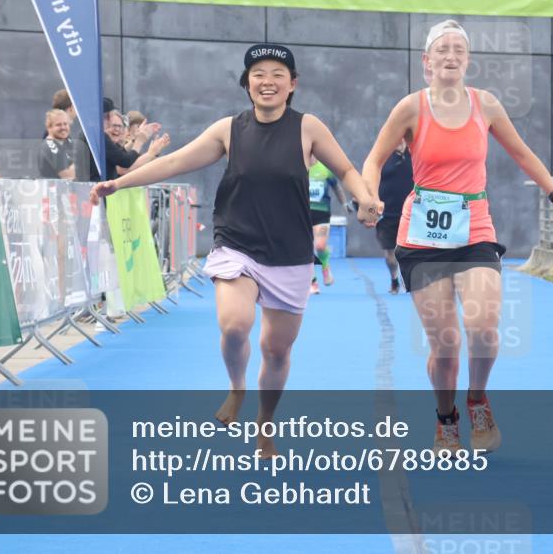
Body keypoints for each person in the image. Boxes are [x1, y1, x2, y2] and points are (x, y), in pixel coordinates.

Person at [90, 43, 382, 457]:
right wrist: (118, 184)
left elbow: (347, 170)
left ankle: (265, 424)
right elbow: (175, 162)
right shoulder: (228, 129)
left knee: (276, 351)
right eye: (258, 74)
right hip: (237, 242)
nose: (268, 81)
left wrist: (364, 198)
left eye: (278, 74)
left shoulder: (308, 127)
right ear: (247, 85)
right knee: (234, 325)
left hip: (289, 252)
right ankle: (236, 387)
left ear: (292, 84)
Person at [363, 20, 553, 455]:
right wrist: (369, 198)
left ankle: (476, 398)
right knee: (446, 343)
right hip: (423, 237)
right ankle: (446, 418)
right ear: (427, 61)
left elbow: (522, 153)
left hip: (474, 228)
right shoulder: (410, 108)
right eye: (443, 49)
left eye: (459, 48)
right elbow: (375, 158)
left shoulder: (487, 104)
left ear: (468, 59)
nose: (451, 55)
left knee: (484, 328)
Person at [376, 139, 413, 294]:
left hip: (411, 214)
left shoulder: (415, 155)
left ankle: (408, 280)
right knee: (390, 255)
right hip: (387, 215)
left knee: (409, 252)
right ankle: (394, 280)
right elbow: (371, 182)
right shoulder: (383, 156)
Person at [307, 157, 350, 294]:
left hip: (322, 213)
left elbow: (336, 187)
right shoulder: (298, 168)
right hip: (303, 213)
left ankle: (325, 267)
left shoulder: (324, 169)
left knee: (320, 246)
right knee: (305, 249)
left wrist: (344, 203)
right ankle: (312, 282)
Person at [38, 109, 75, 179]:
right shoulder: (49, 145)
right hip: (54, 189)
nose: (63, 127)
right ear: (49, 127)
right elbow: (68, 176)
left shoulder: (67, 141)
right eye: (58, 125)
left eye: (65, 124)